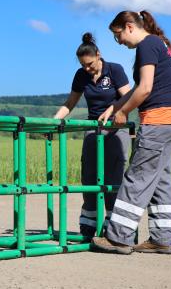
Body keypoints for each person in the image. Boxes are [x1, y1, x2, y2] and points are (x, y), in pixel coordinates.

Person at [92, 10, 171, 255]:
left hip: (157, 122)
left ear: (129, 26)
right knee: (160, 180)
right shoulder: (159, 44)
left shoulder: (147, 45)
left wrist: (123, 114)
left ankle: (118, 238)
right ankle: (162, 238)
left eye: (118, 35)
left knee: (137, 177)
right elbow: (137, 87)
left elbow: (145, 89)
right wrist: (115, 106)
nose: (119, 41)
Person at [54, 32, 131, 238]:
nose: (87, 69)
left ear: (99, 55)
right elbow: (70, 103)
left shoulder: (115, 70)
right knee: (89, 176)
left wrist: (114, 111)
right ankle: (88, 226)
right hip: (92, 129)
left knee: (113, 178)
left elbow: (129, 97)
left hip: (115, 129)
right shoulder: (81, 75)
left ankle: (116, 228)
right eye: (83, 65)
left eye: (89, 64)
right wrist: (54, 122)